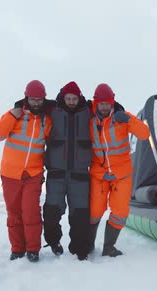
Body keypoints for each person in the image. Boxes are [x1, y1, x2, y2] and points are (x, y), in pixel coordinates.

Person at [0, 80, 52, 262]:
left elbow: (54, 144)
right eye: (33, 99)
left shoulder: (47, 120)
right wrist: (12, 115)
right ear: (27, 98)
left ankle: (33, 249)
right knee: (14, 213)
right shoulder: (14, 115)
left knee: (31, 211)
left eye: (39, 100)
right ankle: (17, 248)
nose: (36, 103)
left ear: (44, 99)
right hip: (10, 173)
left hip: (33, 174)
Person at [88, 83, 150, 257]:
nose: (105, 107)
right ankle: (89, 245)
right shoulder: (89, 120)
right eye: (101, 103)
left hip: (121, 174)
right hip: (98, 174)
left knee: (120, 212)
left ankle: (109, 247)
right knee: (94, 212)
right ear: (96, 103)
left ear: (112, 102)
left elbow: (145, 133)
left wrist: (129, 120)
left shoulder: (122, 117)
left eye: (107, 103)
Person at [42, 81, 92, 261]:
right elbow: (33, 102)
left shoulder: (88, 111)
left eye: (74, 98)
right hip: (56, 173)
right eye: (68, 98)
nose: (71, 101)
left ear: (79, 98)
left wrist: (117, 107)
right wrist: (20, 104)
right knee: (51, 213)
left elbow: (107, 106)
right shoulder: (52, 110)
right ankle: (54, 242)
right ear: (63, 97)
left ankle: (79, 249)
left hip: (80, 174)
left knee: (80, 214)